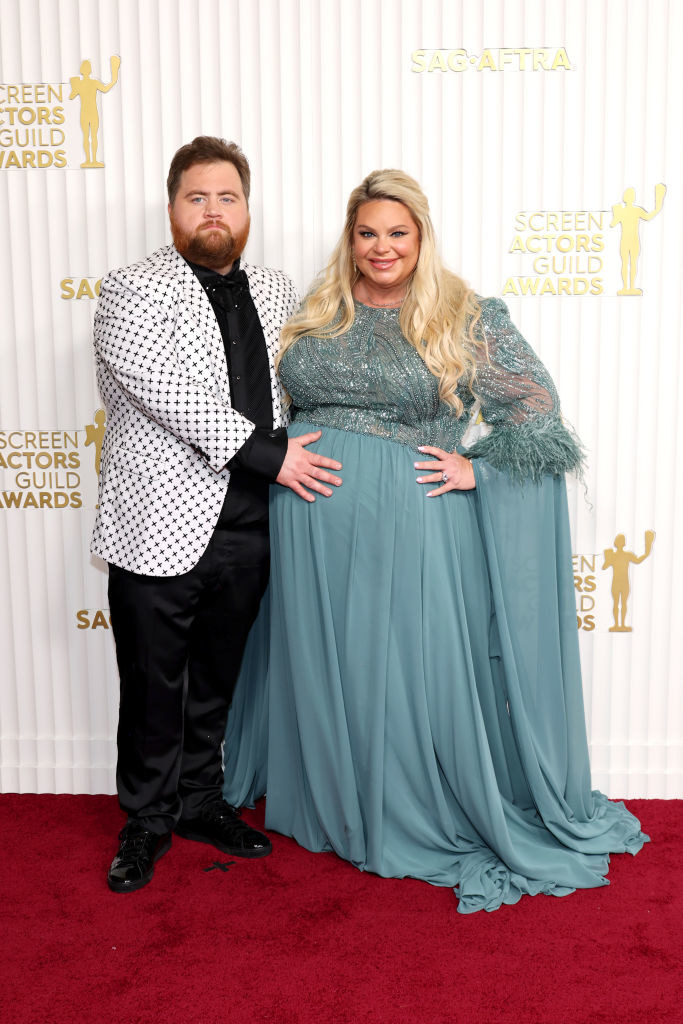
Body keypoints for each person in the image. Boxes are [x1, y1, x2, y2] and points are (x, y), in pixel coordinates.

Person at [222, 169, 649, 914]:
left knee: (405, 674)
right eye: (366, 233)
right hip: (309, 524)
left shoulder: (464, 314)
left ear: (419, 238)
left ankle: (403, 811)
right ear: (349, 239)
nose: (380, 248)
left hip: (411, 521)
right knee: (333, 670)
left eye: (397, 233)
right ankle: (336, 803)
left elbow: (540, 416)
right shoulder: (317, 309)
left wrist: (476, 469)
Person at [92, 136, 342, 893]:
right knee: (151, 683)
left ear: (245, 208)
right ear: (172, 208)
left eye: (225, 197)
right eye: (196, 197)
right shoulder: (129, 289)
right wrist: (274, 457)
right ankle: (145, 820)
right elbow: (168, 392)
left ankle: (201, 802)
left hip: (250, 525)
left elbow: (304, 379)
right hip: (157, 523)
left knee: (216, 679)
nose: (212, 210)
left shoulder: (275, 288)